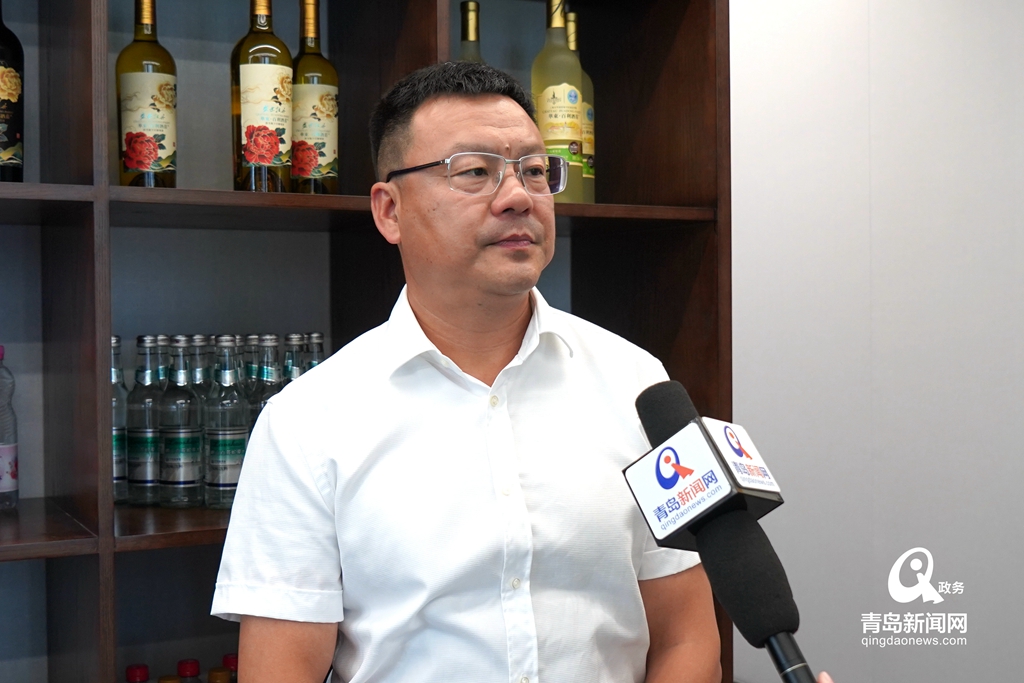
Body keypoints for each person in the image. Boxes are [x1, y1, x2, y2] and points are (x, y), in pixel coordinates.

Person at [211, 61, 833, 683]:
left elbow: (684, 639)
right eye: (474, 172)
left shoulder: (636, 383)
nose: (518, 197)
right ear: (390, 210)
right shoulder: (308, 421)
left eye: (535, 171)